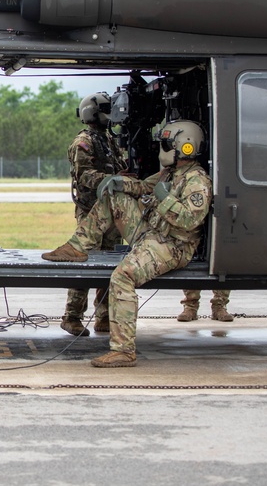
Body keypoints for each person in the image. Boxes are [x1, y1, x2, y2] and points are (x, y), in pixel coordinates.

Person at [42, 120, 212, 368]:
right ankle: (77, 246)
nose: (163, 149)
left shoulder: (197, 180)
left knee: (122, 277)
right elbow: (144, 186)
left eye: (167, 144)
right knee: (114, 197)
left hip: (173, 245)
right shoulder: (171, 173)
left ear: (186, 147)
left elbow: (189, 220)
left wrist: (164, 200)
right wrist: (119, 183)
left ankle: (123, 350)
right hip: (152, 233)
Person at [42, 92, 125, 337]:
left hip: (110, 211)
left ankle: (104, 317)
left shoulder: (107, 140)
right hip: (91, 213)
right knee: (85, 263)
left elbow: (116, 165)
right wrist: (113, 180)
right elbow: (84, 176)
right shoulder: (84, 142)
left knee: (111, 264)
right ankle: (72, 316)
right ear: (92, 113)